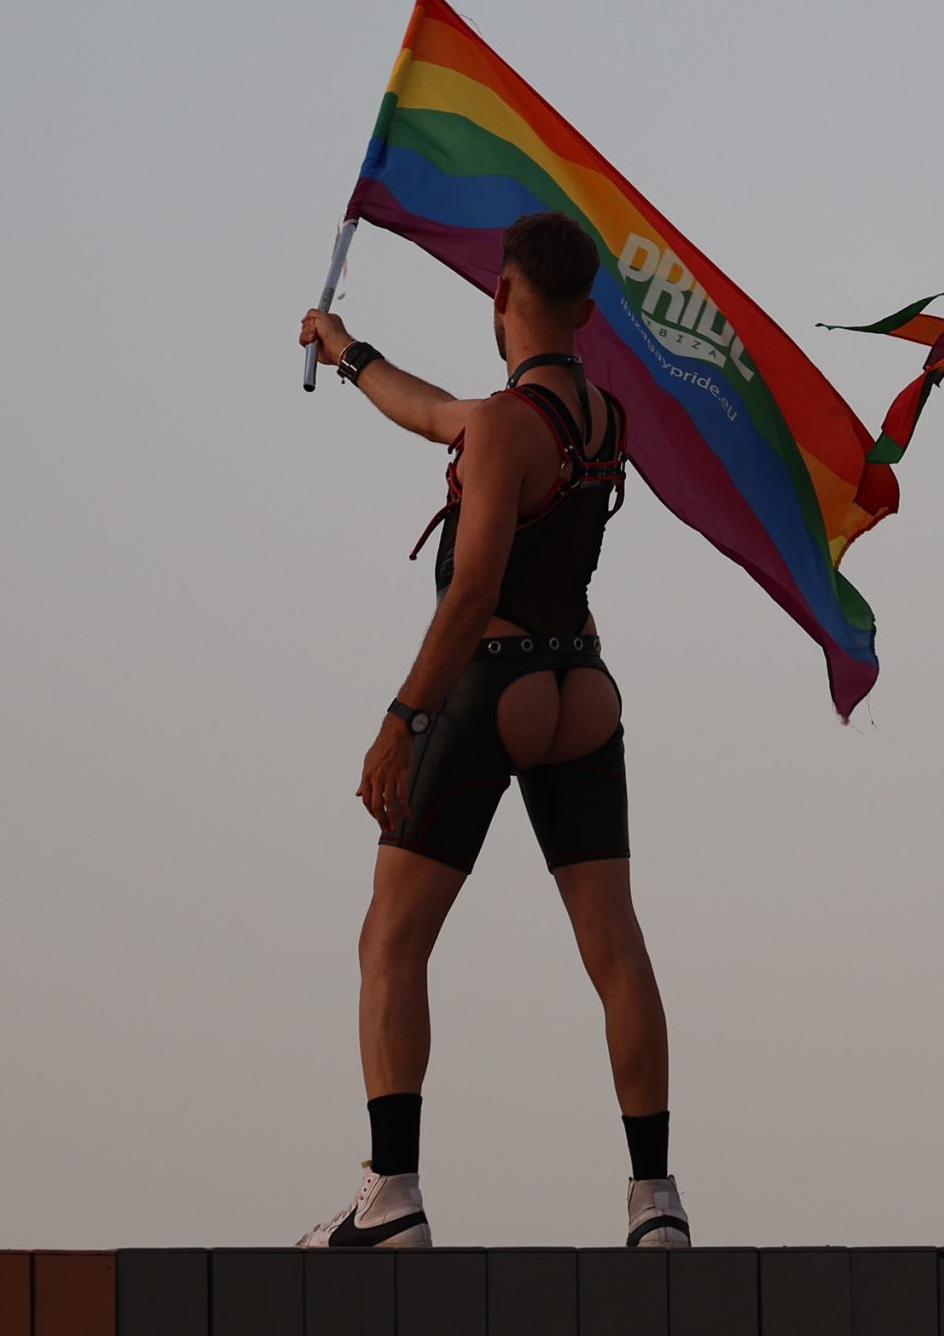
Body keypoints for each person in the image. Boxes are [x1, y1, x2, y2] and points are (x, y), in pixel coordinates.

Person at [291, 211, 689, 1251]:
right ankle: (656, 1200)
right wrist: (347, 354)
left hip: (492, 683)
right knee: (614, 943)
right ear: (586, 309)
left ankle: (394, 1192)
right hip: (582, 690)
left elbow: (469, 594)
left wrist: (401, 718)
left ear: (500, 294)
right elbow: (432, 413)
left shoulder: (507, 426)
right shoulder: (599, 418)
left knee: (392, 936)